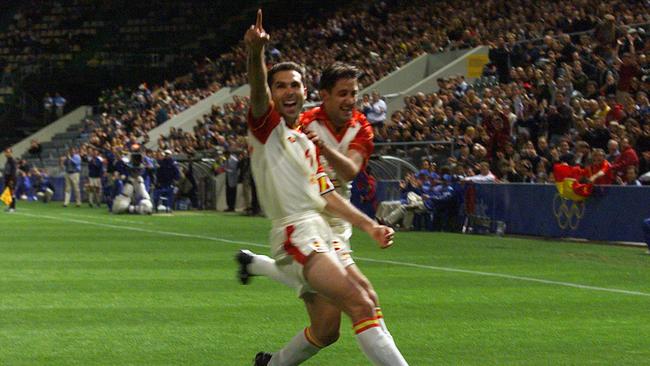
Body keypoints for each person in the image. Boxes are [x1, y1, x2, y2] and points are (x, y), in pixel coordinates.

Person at [239, 10, 407, 366]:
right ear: (271, 93)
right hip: (296, 232)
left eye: (295, 84)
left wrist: (370, 226)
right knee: (359, 301)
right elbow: (256, 89)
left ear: (305, 92)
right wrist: (255, 54)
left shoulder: (305, 141)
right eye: (280, 85)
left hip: (322, 231)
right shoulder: (266, 128)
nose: (289, 90)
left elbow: (329, 196)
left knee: (332, 325)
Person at [3, 148, 17, 212]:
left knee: (12, 193)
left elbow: (13, 171)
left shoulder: (12, 161)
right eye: (6, 152)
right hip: (7, 179)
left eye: (8, 152)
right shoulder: (8, 160)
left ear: (11, 153)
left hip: (11, 179)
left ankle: (13, 207)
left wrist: (11, 180)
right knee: (8, 193)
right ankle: (9, 206)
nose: (6, 153)